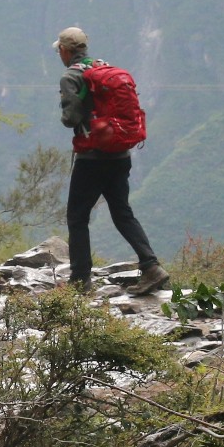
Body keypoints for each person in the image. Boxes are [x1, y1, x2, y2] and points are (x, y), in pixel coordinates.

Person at [55, 26, 169, 294]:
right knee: (122, 212)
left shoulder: (71, 76)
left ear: (65, 50)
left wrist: (72, 112)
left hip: (92, 158)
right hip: (120, 155)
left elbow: (70, 119)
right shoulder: (102, 67)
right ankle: (151, 266)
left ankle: (80, 281)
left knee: (77, 217)